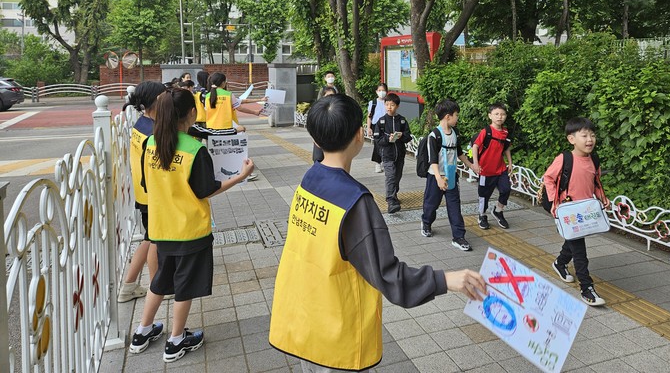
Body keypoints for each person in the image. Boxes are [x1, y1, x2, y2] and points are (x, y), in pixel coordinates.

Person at [268, 94, 486, 372]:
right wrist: (446, 279)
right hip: (335, 334)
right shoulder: (355, 202)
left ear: (315, 140)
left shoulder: (309, 179)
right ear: (361, 135)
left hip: (301, 317)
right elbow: (388, 275)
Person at [129, 88, 255, 362]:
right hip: (189, 230)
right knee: (184, 285)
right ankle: (176, 341)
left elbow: (146, 184)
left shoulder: (151, 144)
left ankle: (142, 332)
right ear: (191, 113)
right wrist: (241, 176)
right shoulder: (194, 150)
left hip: (161, 228)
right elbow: (206, 190)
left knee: (160, 281)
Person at [544, 117, 609, 306]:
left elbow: (595, 182)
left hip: (584, 211)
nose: (590, 139)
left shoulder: (594, 159)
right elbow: (548, 178)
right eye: (584, 135)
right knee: (579, 250)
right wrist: (554, 202)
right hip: (568, 211)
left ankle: (560, 263)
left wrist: (602, 197)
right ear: (571, 139)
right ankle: (587, 288)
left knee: (573, 240)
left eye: (592, 135)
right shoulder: (565, 159)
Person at [118, 81, 166, 303]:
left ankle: (128, 286)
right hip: (153, 195)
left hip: (143, 193)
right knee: (155, 242)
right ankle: (158, 288)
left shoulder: (141, 124)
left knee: (149, 238)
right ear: (157, 100)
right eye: (165, 97)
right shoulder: (153, 131)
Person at [420, 99, 479, 251]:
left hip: (451, 175)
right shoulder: (434, 136)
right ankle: (426, 222)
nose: (457, 118)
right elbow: (432, 160)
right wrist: (439, 179)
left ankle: (459, 237)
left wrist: (471, 165)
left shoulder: (455, 133)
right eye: (456, 115)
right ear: (448, 116)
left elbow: (459, 153)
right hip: (436, 177)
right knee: (431, 204)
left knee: (454, 206)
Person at [473, 103, 513, 230]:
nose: (500, 117)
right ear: (490, 116)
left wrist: (510, 163)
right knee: (484, 195)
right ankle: (482, 215)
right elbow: (475, 146)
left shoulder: (505, 132)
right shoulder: (486, 131)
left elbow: (506, 148)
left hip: (500, 169)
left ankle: (498, 211)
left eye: (502, 114)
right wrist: (475, 163)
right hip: (485, 170)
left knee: (506, 189)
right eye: (496, 114)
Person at [373, 92, 412, 214]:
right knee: (390, 176)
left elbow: (408, 136)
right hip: (387, 155)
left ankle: (394, 195)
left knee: (397, 177)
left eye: (392, 105)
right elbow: (377, 139)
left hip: (400, 154)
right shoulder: (381, 121)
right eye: (387, 104)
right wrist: (387, 139)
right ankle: (391, 201)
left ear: (397, 106)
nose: (389, 107)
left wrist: (401, 135)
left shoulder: (402, 121)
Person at [366, 83, 388, 173]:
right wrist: (369, 128)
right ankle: (378, 163)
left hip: (386, 125)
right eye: (379, 90)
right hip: (376, 126)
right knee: (377, 144)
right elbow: (369, 116)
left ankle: (385, 162)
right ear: (376, 91)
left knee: (387, 144)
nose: (381, 92)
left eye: (383, 90)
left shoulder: (388, 102)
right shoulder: (373, 103)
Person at [311, 86, 337, 162]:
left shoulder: (338, 110)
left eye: (332, 95)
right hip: (320, 141)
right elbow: (313, 126)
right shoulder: (317, 109)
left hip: (334, 142)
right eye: (327, 96)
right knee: (319, 160)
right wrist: (315, 139)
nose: (330, 98)